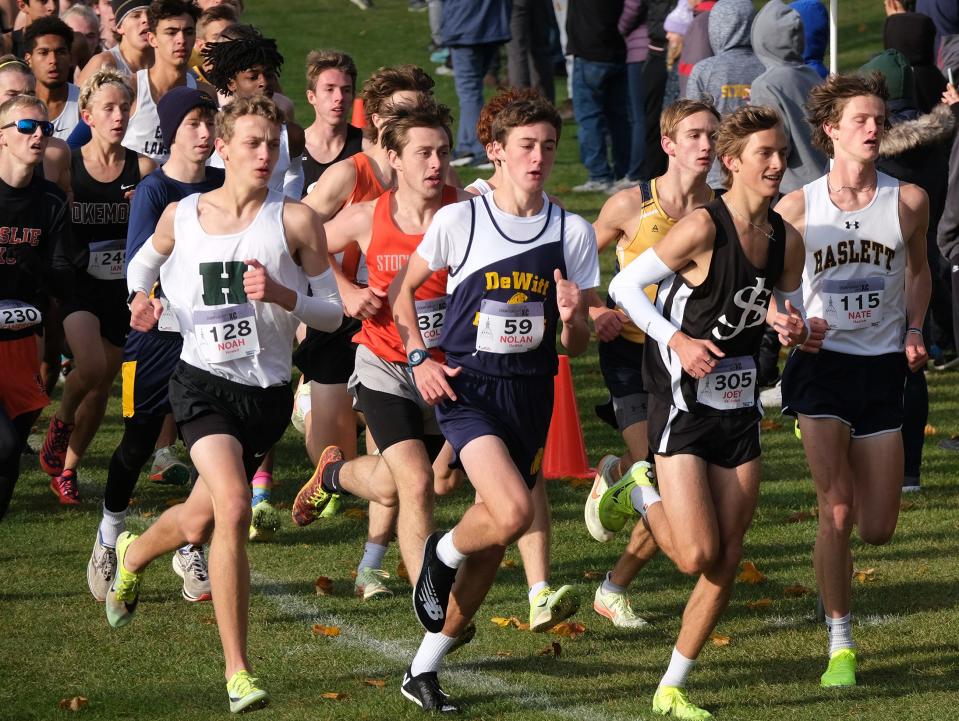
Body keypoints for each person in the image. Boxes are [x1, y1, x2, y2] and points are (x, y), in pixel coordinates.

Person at [108, 94, 342, 713]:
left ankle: (132, 554)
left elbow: (332, 310)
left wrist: (288, 297)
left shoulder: (295, 221)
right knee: (235, 506)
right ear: (223, 144)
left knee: (197, 519)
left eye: (272, 145)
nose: (265, 155)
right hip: (200, 383)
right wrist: (142, 300)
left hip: (263, 395)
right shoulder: (184, 215)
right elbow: (141, 265)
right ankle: (239, 672)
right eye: (252, 143)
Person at [592, 105, 819, 719]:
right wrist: (678, 340)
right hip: (682, 404)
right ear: (733, 162)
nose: (778, 164)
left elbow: (779, 304)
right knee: (693, 554)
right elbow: (622, 289)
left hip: (739, 406)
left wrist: (793, 325)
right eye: (765, 155)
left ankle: (672, 685)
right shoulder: (700, 227)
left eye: (781, 153)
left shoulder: (785, 239)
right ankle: (637, 486)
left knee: (726, 554)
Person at [393, 93, 598, 712]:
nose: (538, 158)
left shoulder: (573, 230)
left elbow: (579, 342)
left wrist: (573, 318)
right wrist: (419, 357)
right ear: (496, 152)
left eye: (548, 147)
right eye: (526, 146)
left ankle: (421, 670)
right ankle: (441, 550)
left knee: (491, 551)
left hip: (531, 397)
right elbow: (403, 297)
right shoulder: (462, 220)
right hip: (467, 389)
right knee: (509, 513)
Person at [777, 72, 931, 688]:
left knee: (877, 527)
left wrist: (915, 328)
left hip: (881, 368)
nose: (873, 129)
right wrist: (789, 326)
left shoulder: (908, 201)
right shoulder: (796, 208)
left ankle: (831, 568)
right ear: (830, 132)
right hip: (820, 369)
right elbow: (777, 293)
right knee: (836, 511)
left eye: (879, 118)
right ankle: (841, 640)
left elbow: (920, 273)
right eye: (860, 120)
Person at [292, 99, 468, 594]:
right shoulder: (370, 216)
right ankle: (429, 598)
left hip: (445, 369)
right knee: (413, 483)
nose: (436, 164)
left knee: (417, 484)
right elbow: (310, 243)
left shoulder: (468, 213)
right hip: (384, 363)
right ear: (394, 158)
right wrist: (346, 290)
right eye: (424, 154)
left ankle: (334, 476)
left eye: (443, 153)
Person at [587, 97, 719, 628]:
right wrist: (596, 309)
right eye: (694, 135)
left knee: (667, 485)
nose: (706, 145)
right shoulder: (628, 207)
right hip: (629, 352)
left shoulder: (721, 208)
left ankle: (612, 584)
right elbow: (573, 269)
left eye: (712, 135)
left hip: (687, 360)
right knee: (656, 474)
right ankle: (625, 475)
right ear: (669, 144)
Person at [86, 85, 221, 603]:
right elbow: (138, 266)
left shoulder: (224, 184)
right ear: (171, 132)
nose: (205, 133)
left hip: (206, 341)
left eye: (210, 122)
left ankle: (191, 545)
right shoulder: (154, 190)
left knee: (211, 449)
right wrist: (143, 300)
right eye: (193, 124)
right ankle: (108, 533)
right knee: (138, 443)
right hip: (152, 344)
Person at [40, 69, 153, 503]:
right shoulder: (67, 162)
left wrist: (146, 203)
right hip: (79, 286)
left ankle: (66, 470)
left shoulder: (142, 167)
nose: (118, 115)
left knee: (103, 383)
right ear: (86, 114)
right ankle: (61, 422)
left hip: (123, 292)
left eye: (125, 107)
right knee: (88, 366)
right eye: (108, 108)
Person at [0, 93, 73, 519]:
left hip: (22, 343)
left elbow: (64, 277)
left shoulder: (50, 202)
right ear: (3, 138)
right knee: (6, 445)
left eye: (44, 127)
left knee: (8, 461)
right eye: (26, 127)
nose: (38, 135)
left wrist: (36, 269)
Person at [202, 23, 304, 199]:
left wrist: (288, 207)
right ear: (231, 83)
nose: (264, 82)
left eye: (269, 74)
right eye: (253, 77)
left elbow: (295, 174)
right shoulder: (210, 128)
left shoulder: (292, 134)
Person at [749, 0, 827, 196]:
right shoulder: (812, 75)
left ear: (761, 38)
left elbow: (774, 146)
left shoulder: (766, 84)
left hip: (789, 190)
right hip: (824, 181)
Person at [686, 0, 765, 189]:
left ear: (716, 28)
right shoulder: (766, 68)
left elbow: (688, 123)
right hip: (759, 170)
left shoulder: (705, 70)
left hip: (714, 174)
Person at [119, 0, 201, 163]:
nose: (181, 40)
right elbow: (82, 142)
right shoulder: (129, 87)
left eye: (188, 32)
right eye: (171, 32)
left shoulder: (203, 94)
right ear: (152, 39)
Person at [567, 0, 631, 193]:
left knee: (589, 118)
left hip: (590, 52)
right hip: (618, 51)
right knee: (620, 119)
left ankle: (599, 174)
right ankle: (624, 171)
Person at [439, 0, 510, 167]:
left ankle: (480, 148)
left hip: (464, 26)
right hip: (492, 27)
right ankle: (466, 146)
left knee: (469, 91)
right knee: (472, 89)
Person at [301, 48, 362, 194]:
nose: (339, 97)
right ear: (311, 97)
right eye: (329, 89)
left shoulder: (368, 147)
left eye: (346, 90)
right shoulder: (291, 150)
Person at [24, 17, 80, 139]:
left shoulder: (85, 104)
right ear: (28, 60)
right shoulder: (17, 105)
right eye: (43, 53)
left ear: (70, 58)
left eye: (60, 52)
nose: (53, 61)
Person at [78, 0, 153, 84]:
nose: (146, 20)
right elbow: (79, 96)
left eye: (150, 15)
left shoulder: (166, 60)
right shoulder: (102, 64)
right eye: (136, 16)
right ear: (120, 27)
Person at [189, 2, 237, 81]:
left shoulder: (248, 77)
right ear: (200, 45)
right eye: (218, 37)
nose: (228, 41)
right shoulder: (190, 83)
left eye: (232, 35)